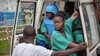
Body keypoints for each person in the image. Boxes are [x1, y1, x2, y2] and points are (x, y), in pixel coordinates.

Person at [12, 25, 87, 56]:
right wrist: (77, 48)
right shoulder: (38, 49)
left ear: (23, 35)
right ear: (35, 36)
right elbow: (57, 54)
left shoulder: (17, 47)